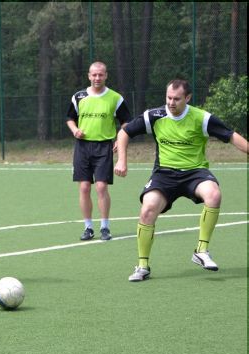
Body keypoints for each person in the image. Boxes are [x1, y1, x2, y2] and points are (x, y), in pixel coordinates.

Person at [114, 79, 249, 282]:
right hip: (164, 174)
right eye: (168, 97)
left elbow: (231, 136)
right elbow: (124, 132)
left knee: (213, 194)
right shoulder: (154, 116)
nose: (171, 102)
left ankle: (201, 251)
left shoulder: (201, 118)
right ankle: (142, 266)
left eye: (176, 99)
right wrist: (122, 160)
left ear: (188, 98)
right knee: (147, 209)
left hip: (195, 172)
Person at [66, 61, 131, 241]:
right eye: (94, 75)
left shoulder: (115, 98)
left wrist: (119, 139)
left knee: (101, 187)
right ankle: (88, 227)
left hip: (104, 147)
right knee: (84, 187)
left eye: (100, 74)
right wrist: (75, 130)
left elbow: (126, 122)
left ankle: (105, 227)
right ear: (89, 76)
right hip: (82, 147)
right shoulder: (78, 97)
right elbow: (70, 118)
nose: (97, 78)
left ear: (106, 76)